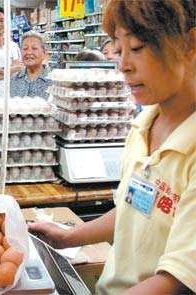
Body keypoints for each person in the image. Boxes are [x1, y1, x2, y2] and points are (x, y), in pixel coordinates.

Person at [29, 0, 196, 294]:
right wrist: (67, 237)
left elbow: (177, 280)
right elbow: (130, 209)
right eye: (118, 50)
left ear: (190, 44)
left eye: (137, 48)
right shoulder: (142, 126)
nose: (123, 65)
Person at [10, 32, 51, 99]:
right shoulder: (13, 80)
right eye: (25, 48)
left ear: (44, 53)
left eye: (34, 48)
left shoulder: (54, 82)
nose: (29, 52)